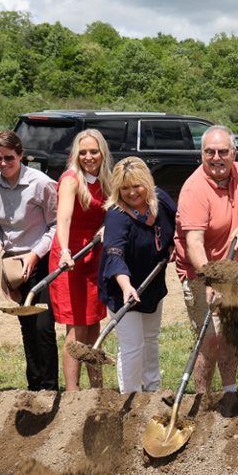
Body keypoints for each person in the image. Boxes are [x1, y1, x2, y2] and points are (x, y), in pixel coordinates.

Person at [174, 125, 238, 394]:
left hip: (237, 275)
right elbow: (194, 243)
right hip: (202, 276)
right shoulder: (194, 190)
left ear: (234, 153)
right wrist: (209, 280)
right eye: (209, 152)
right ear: (201, 154)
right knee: (210, 341)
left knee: (230, 339)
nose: (216, 158)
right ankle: (203, 400)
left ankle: (230, 394)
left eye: (223, 151)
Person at [0, 130, 59, 391]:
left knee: (42, 328)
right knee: (26, 327)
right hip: (13, 267)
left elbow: (55, 225)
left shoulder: (42, 184)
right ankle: (34, 386)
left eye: (9, 158)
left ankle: (50, 388)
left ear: (21, 155)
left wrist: (35, 253)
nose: (3, 163)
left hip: (40, 262)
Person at [98, 158, 177, 394]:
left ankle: (153, 392)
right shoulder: (117, 215)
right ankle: (131, 398)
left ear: (147, 183)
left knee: (151, 339)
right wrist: (125, 285)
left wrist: (172, 244)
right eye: (124, 188)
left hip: (152, 281)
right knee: (132, 346)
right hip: (123, 288)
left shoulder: (160, 200)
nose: (131, 192)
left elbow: (177, 223)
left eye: (137, 186)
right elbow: (114, 254)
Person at [49, 129, 113, 392]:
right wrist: (65, 250)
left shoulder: (106, 178)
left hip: (94, 255)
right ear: (76, 154)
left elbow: (115, 209)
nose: (88, 157)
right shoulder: (71, 180)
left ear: (102, 153)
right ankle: (73, 394)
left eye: (93, 152)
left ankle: (96, 389)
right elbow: (62, 219)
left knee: (94, 323)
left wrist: (107, 225)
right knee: (76, 328)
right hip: (70, 258)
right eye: (83, 152)